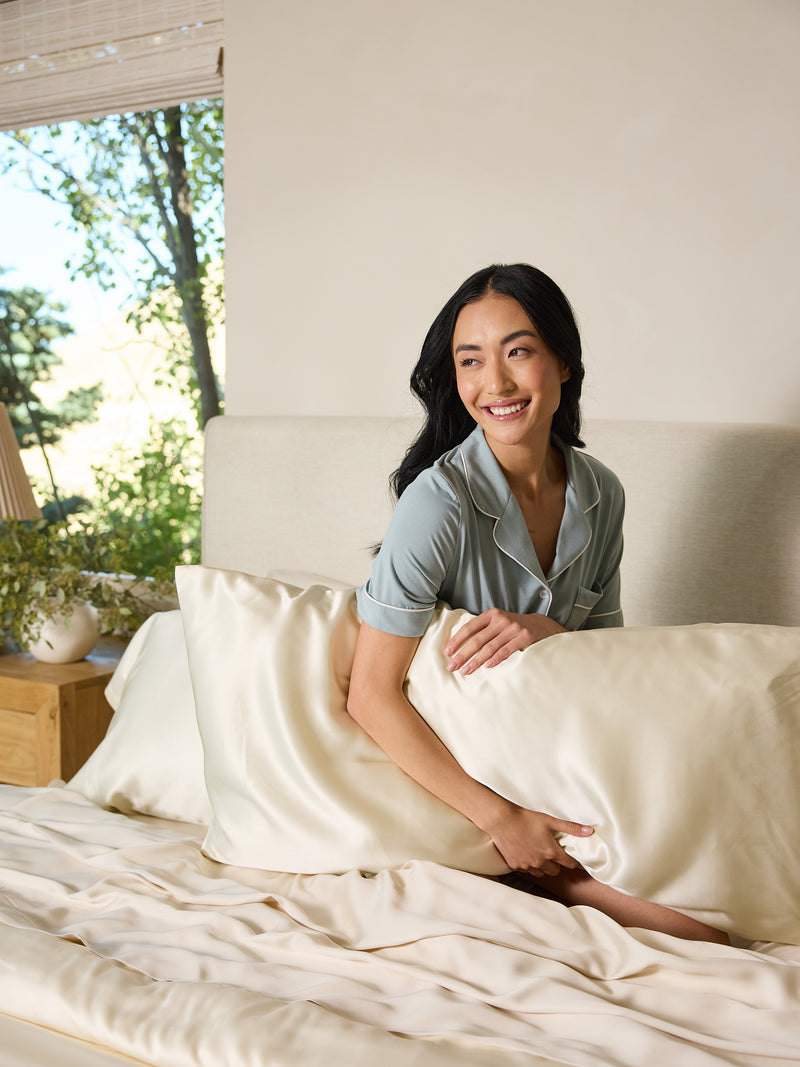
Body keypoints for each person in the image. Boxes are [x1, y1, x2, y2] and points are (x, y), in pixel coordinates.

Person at [347, 263, 728, 944]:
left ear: (564, 364)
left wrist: (550, 629)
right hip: (457, 777)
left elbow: (611, 662)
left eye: (517, 352)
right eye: (471, 360)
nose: (494, 383)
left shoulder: (601, 493)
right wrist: (504, 822)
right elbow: (370, 695)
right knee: (701, 936)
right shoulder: (436, 503)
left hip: (565, 752)